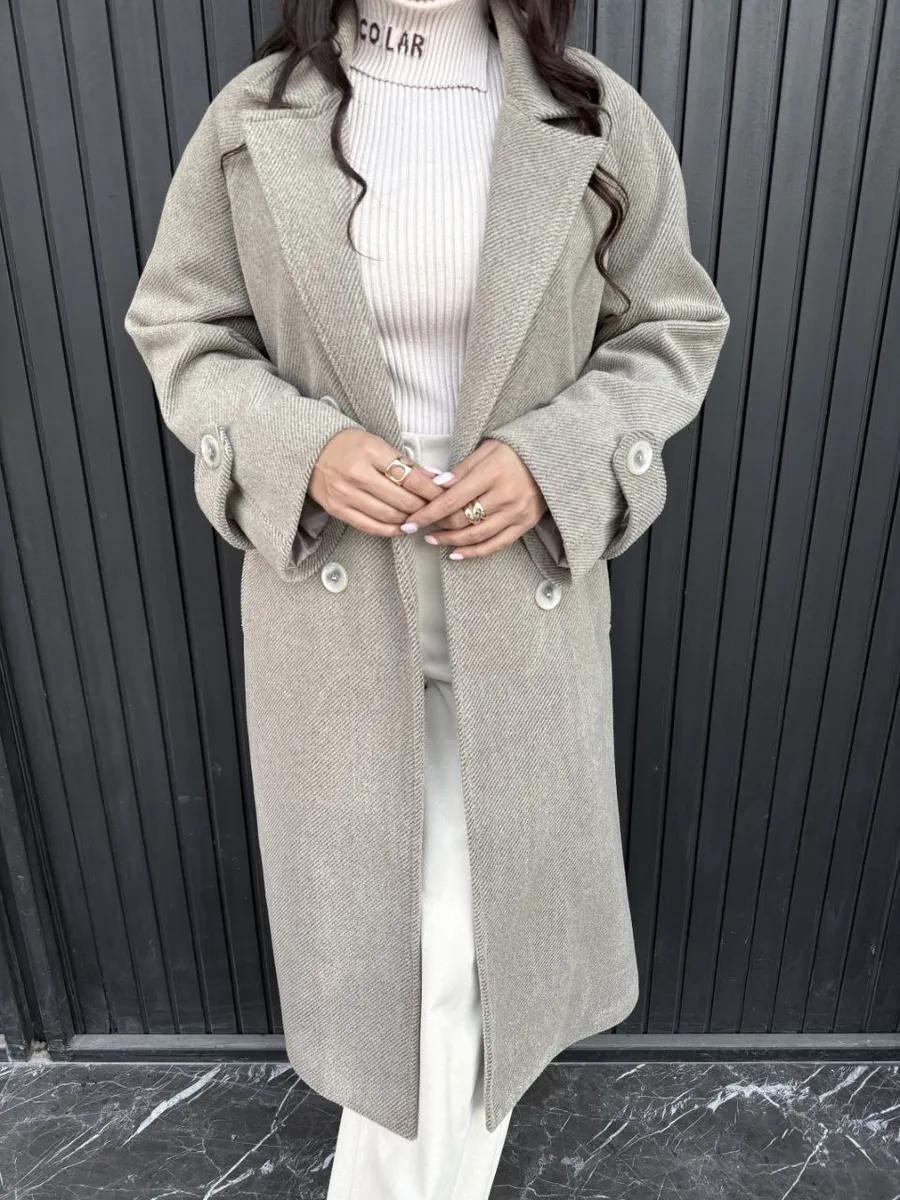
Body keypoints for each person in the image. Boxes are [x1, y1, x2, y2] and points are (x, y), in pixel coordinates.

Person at [124, 0, 730, 1193]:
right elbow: (180, 325)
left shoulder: (592, 116)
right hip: (337, 602)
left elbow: (674, 324)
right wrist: (300, 450)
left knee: (468, 951)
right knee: (416, 955)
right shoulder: (255, 121)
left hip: (518, 590)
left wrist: (556, 460)